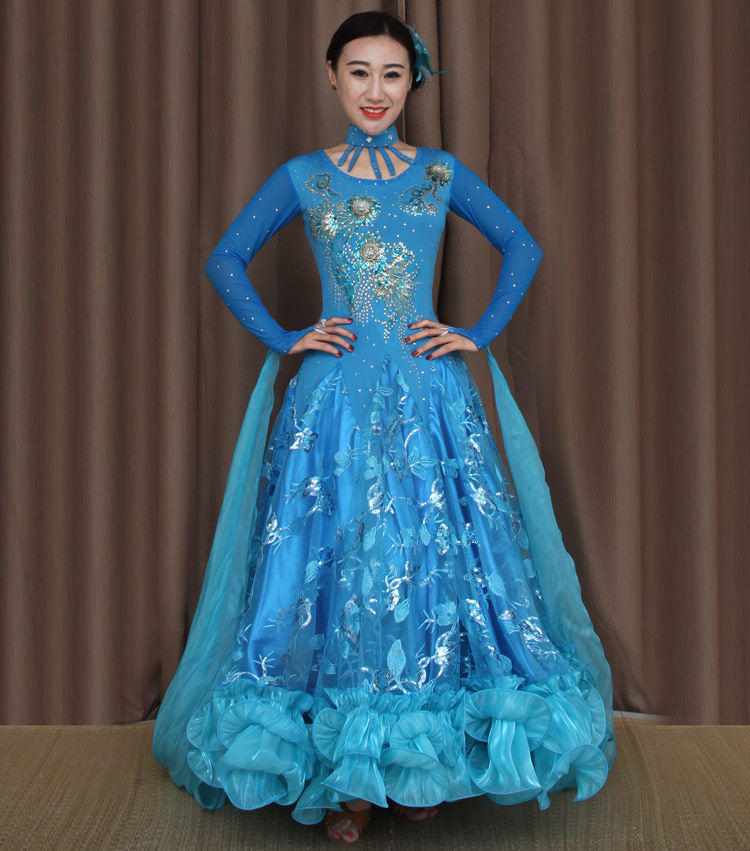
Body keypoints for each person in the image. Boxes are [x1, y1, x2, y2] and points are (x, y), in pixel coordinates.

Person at [152, 10, 616, 844]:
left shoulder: (437, 174)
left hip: (428, 398)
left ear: (413, 83)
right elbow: (225, 258)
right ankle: (353, 776)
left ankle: (413, 757)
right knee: (337, 563)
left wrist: (474, 332)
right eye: (359, 71)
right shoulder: (304, 176)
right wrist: (284, 336)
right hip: (330, 403)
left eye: (392, 73)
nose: (375, 90)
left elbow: (522, 246)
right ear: (332, 77)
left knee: (424, 562)